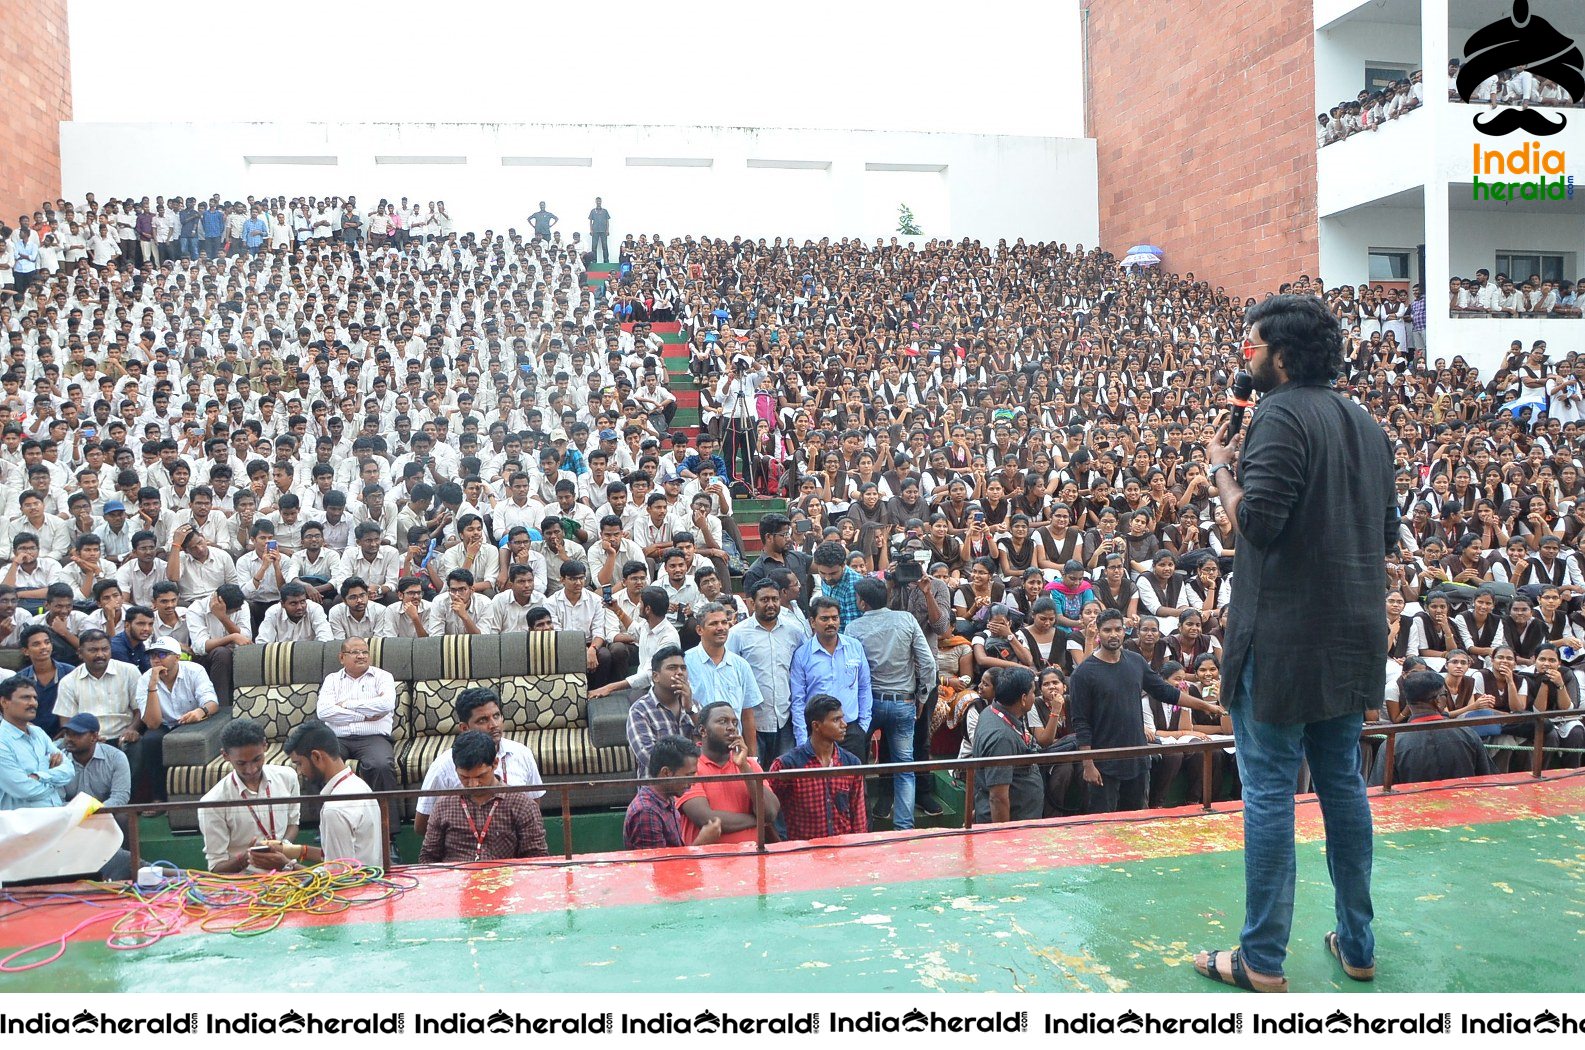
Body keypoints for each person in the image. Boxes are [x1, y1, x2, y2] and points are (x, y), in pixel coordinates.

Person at [1196, 294, 1395, 993]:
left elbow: (1256, 523)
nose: (1244, 358)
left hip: (1282, 642)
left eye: (1250, 346)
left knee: (1271, 792)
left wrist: (1221, 469)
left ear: (1279, 356)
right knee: (1341, 784)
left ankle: (1261, 959)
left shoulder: (1278, 415)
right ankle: (1358, 943)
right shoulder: (1364, 423)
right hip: (1350, 638)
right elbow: (1383, 535)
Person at [1071, 609, 1207, 814]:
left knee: (1137, 821)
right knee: (1102, 825)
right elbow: (1081, 722)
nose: (1113, 634)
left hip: (1137, 757)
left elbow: (1165, 691)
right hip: (1103, 761)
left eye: (1118, 629)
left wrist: (1206, 706)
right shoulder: (1083, 673)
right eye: (1107, 630)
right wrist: (1088, 763)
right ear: (1098, 632)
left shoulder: (1136, 661)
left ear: (1125, 631)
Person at [845, 575, 935, 828]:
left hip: (868, 705)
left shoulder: (853, 629)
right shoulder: (905, 619)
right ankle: (904, 829)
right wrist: (922, 697)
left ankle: (860, 824)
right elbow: (927, 663)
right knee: (904, 768)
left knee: (856, 764)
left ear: (862, 603)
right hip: (903, 702)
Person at [415, 686, 544, 838]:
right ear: (464, 728)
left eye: (496, 716)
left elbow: (534, 809)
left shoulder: (522, 754)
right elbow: (422, 825)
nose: (494, 725)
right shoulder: (443, 766)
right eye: (483, 720)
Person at [418, 731, 547, 862]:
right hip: (456, 879)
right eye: (464, 777)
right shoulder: (444, 805)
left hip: (506, 877)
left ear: (495, 764)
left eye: (480, 776)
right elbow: (428, 856)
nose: (473, 785)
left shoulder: (522, 805)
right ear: (455, 769)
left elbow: (536, 858)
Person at [198, 717, 302, 873]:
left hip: (285, 874)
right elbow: (216, 868)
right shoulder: (212, 802)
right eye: (241, 763)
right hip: (245, 885)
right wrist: (246, 858)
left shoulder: (288, 777)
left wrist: (282, 846)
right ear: (225, 755)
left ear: (265, 746)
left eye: (257, 759)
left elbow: (293, 823)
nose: (251, 769)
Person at [275, 720, 383, 868]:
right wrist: (291, 851)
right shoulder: (360, 786)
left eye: (299, 763)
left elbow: (338, 879)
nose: (300, 772)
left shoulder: (334, 809)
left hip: (354, 889)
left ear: (316, 757)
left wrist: (286, 865)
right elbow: (344, 857)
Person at [726, 577, 808, 763]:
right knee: (756, 775)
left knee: (785, 776)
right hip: (753, 721)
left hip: (785, 718)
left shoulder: (794, 632)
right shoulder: (738, 634)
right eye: (764, 600)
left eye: (774, 599)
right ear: (752, 603)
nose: (770, 604)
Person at [676, 701, 781, 845]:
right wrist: (757, 820)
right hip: (707, 862)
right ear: (703, 731)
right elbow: (706, 819)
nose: (731, 728)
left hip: (750, 861)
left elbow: (770, 813)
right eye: (722, 721)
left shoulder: (749, 764)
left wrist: (744, 769)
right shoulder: (689, 766)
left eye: (735, 723)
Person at [131, 636, 220, 803]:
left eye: (162, 654)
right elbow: (153, 723)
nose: (156, 660)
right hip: (164, 724)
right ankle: (159, 797)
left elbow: (212, 702)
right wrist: (152, 687)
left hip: (192, 720)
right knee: (151, 740)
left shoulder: (194, 670)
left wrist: (201, 711)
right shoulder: (146, 679)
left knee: (193, 738)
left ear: (177, 657)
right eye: (152, 656)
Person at [768, 695, 868, 841]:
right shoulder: (787, 765)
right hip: (803, 853)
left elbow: (858, 815)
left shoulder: (851, 763)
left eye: (842, 718)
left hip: (843, 851)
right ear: (816, 726)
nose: (844, 724)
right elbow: (766, 810)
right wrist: (780, 844)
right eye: (836, 720)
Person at [970, 666, 1063, 823]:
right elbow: (998, 798)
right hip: (1012, 827)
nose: (1036, 697)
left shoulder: (994, 711)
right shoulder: (1002, 738)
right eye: (1033, 692)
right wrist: (1005, 838)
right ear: (1023, 699)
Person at [1368, 670, 1494, 786]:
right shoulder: (1468, 735)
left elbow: (1379, 791)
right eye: (1446, 694)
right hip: (1465, 807)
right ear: (1439, 700)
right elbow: (1488, 780)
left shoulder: (1393, 745)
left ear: (1408, 701)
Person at [315, 638, 400, 798]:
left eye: (365, 652)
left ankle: (386, 822)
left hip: (373, 738)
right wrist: (364, 716)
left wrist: (346, 705)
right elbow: (324, 712)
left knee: (381, 765)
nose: (361, 656)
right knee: (321, 763)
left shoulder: (382, 677)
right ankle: (330, 820)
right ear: (342, 658)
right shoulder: (332, 680)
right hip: (336, 738)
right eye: (355, 652)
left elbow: (386, 704)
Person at [789, 596, 872, 758]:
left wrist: (863, 726)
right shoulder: (802, 655)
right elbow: (798, 700)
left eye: (835, 618)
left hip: (851, 730)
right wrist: (802, 739)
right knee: (819, 782)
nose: (831, 623)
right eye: (824, 619)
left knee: (854, 781)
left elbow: (864, 686)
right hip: (817, 733)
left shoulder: (854, 647)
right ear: (813, 622)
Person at [683, 602, 763, 753]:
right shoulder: (685, 663)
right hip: (697, 752)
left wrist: (752, 758)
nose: (721, 627)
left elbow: (747, 716)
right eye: (713, 623)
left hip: (734, 752)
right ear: (699, 630)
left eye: (724, 622)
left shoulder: (741, 665)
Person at [623, 734, 723, 850]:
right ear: (666, 773)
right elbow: (660, 866)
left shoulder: (667, 799)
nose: (693, 782)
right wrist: (701, 843)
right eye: (688, 775)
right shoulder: (647, 813)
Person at [52, 629, 143, 747]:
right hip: (86, 742)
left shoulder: (129, 671)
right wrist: (87, 739)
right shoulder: (68, 682)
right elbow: (67, 722)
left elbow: (141, 709)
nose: (100, 655)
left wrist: (132, 729)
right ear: (80, 653)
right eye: (93, 650)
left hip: (124, 737)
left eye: (105, 649)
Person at [0, 676, 76, 809]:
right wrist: (54, 781)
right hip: (22, 825)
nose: (33, 703)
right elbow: (24, 789)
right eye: (25, 697)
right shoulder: (2, 742)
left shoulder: (38, 733)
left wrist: (37, 776)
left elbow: (69, 770)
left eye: (35, 698)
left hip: (54, 817)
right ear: (4, 702)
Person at [624, 646, 697, 777]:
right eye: (672, 668)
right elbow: (650, 758)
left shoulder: (693, 705)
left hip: (694, 788)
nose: (680, 672)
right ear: (655, 677)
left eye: (683, 668)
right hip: (658, 791)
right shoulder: (640, 711)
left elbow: (708, 745)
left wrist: (690, 710)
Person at [60, 712, 131, 809]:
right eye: (67, 734)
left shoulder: (116, 758)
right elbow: (56, 800)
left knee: (122, 816)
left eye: (76, 735)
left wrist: (93, 811)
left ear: (94, 737)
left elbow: (120, 797)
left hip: (104, 814)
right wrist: (79, 811)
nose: (69, 739)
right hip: (69, 815)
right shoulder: (58, 761)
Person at [587, 197, 611, 264]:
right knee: (594, 247)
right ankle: (594, 261)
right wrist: (591, 230)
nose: (598, 202)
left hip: (603, 231)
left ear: (601, 201)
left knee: (605, 246)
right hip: (595, 231)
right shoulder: (592, 211)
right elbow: (590, 221)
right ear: (595, 202)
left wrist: (607, 230)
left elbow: (607, 221)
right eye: (597, 201)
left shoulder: (605, 211)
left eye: (599, 201)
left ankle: (606, 261)